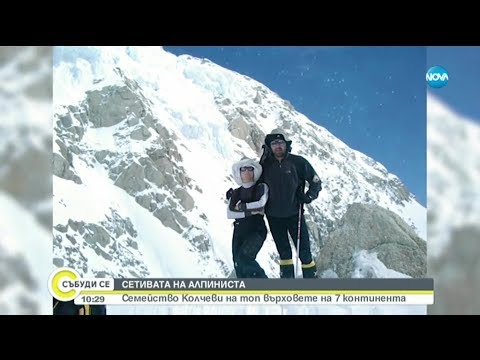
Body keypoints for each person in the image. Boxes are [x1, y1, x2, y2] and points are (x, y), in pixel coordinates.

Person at [259, 130, 322, 278]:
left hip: (295, 214)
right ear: (269, 146)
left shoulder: (298, 162)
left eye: (280, 142)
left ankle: (312, 282)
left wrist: (309, 196)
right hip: (273, 216)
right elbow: (255, 185)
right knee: (284, 253)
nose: (278, 146)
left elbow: (315, 181)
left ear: (286, 144)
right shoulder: (264, 165)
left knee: (304, 251)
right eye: (274, 143)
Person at [226, 157, 269, 278]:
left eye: (250, 168)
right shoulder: (235, 192)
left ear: (254, 171)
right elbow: (230, 213)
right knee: (238, 263)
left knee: (245, 257)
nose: (246, 172)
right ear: (239, 172)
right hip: (239, 229)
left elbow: (261, 203)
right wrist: (251, 211)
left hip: (256, 228)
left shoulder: (261, 187)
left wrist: (243, 207)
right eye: (243, 169)